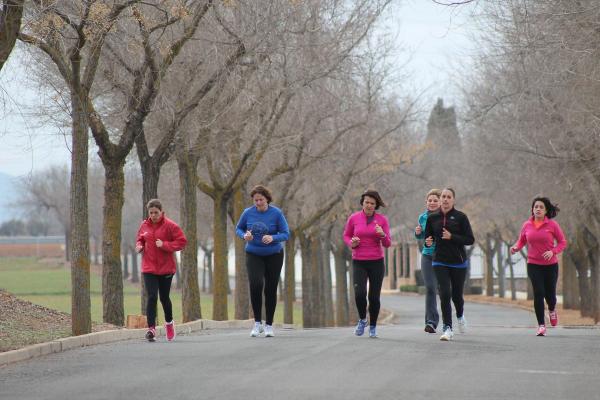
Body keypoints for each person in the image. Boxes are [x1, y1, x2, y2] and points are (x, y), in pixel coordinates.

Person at [235, 185, 289, 338]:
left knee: (270, 289)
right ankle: (257, 323)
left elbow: (286, 233)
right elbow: (238, 229)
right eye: (255, 200)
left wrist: (273, 237)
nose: (258, 203)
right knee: (256, 284)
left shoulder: (276, 213)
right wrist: (244, 235)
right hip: (254, 254)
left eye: (261, 200)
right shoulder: (247, 213)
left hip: (274, 254)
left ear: (267, 199)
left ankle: (269, 325)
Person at [511, 197, 567, 336]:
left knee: (550, 295)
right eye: (536, 207)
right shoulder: (527, 225)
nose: (538, 209)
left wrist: (552, 251)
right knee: (539, 292)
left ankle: (552, 309)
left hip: (550, 265)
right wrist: (515, 248)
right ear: (532, 209)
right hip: (533, 264)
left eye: (541, 207)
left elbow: (562, 242)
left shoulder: (552, 225)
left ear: (546, 210)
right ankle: (541, 325)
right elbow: (522, 241)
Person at [424, 188, 474, 341]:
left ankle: (460, 315)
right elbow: (428, 237)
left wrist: (452, 237)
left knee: (457, 296)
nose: (445, 199)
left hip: (458, 262)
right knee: (444, 293)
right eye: (443, 197)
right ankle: (447, 328)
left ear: (453, 200)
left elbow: (469, 239)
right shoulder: (432, 218)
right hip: (439, 260)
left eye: (448, 197)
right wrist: (428, 241)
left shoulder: (461, 217)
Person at [136, 199, 187, 342]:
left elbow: (182, 242)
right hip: (149, 267)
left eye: (156, 213)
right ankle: (151, 329)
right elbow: (140, 239)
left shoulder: (170, 226)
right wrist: (139, 245)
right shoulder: (144, 225)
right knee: (152, 296)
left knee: (164, 298)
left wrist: (164, 244)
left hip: (166, 268)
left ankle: (169, 323)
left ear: (161, 212)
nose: (153, 215)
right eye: (151, 213)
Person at [343, 189, 392, 338]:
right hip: (359, 261)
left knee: (374, 297)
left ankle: (373, 327)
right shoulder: (354, 218)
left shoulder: (382, 220)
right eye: (366, 202)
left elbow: (388, 243)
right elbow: (346, 235)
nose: (369, 205)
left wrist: (382, 235)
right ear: (362, 203)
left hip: (376, 262)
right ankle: (363, 319)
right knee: (359, 294)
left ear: (376, 205)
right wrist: (352, 243)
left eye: (372, 203)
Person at [414, 189, 441, 333]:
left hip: (443, 256)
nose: (432, 203)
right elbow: (421, 237)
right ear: (426, 202)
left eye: (435, 200)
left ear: (440, 202)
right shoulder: (422, 217)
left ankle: (450, 321)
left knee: (443, 290)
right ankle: (431, 321)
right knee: (430, 288)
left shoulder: (445, 217)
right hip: (427, 255)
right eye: (429, 200)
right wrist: (418, 233)